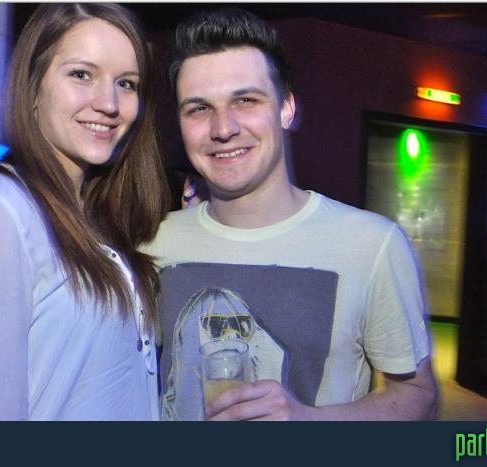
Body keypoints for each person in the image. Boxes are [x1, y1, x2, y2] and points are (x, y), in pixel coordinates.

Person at [143, 8, 437, 421]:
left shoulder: (372, 244)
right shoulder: (152, 243)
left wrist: (308, 422)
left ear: (286, 108)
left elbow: (418, 395)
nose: (223, 128)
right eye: (199, 108)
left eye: (246, 100)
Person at [0, 3, 170, 420]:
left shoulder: (95, 213)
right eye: (81, 74)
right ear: (33, 86)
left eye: (127, 83)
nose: (109, 103)